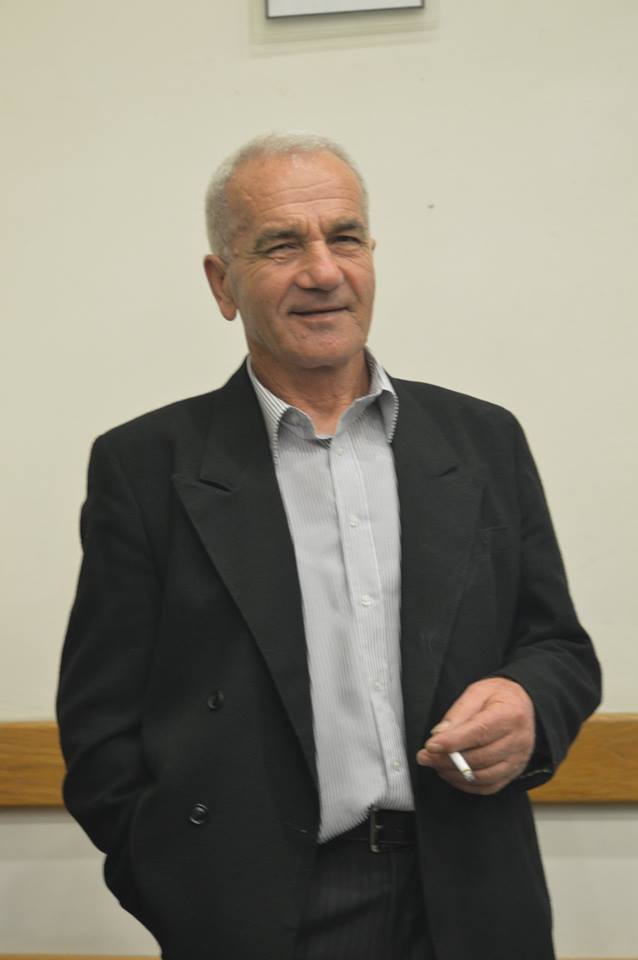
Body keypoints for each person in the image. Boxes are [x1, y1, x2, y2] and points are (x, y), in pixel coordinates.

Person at [57, 133, 601, 960]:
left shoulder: (482, 440)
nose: (322, 271)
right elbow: (100, 725)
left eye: (344, 237)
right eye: (281, 246)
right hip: (264, 915)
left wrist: (530, 703)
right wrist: (178, 889)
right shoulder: (144, 468)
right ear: (222, 283)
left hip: (475, 896)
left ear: (371, 256)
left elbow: (558, 646)